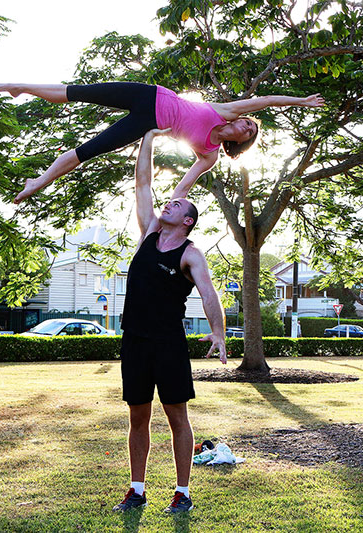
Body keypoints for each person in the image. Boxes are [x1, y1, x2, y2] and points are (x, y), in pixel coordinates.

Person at [110, 128, 227, 514]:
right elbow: (142, 182)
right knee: (137, 415)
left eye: (178, 204)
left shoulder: (191, 254)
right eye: (171, 201)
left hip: (168, 343)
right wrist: (146, 139)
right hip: (135, 340)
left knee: (177, 416)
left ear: (188, 221)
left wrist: (218, 332)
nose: (170, 203)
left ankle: (183, 493)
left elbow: (209, 293)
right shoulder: (148, 235)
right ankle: (137, 489)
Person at [0, 81, 323, 203]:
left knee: (88, 151)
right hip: (149, 95)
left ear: (240, 143)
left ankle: (40, 181)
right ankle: (22, 87)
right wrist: (301, 102)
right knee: (79, 92)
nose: (246, 125)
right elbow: (265, 100)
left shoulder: (209, 155)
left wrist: (173, 209)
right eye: (248, 122)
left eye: (249, 131)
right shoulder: (225, 110)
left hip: (148, 122)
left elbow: (184, 185)